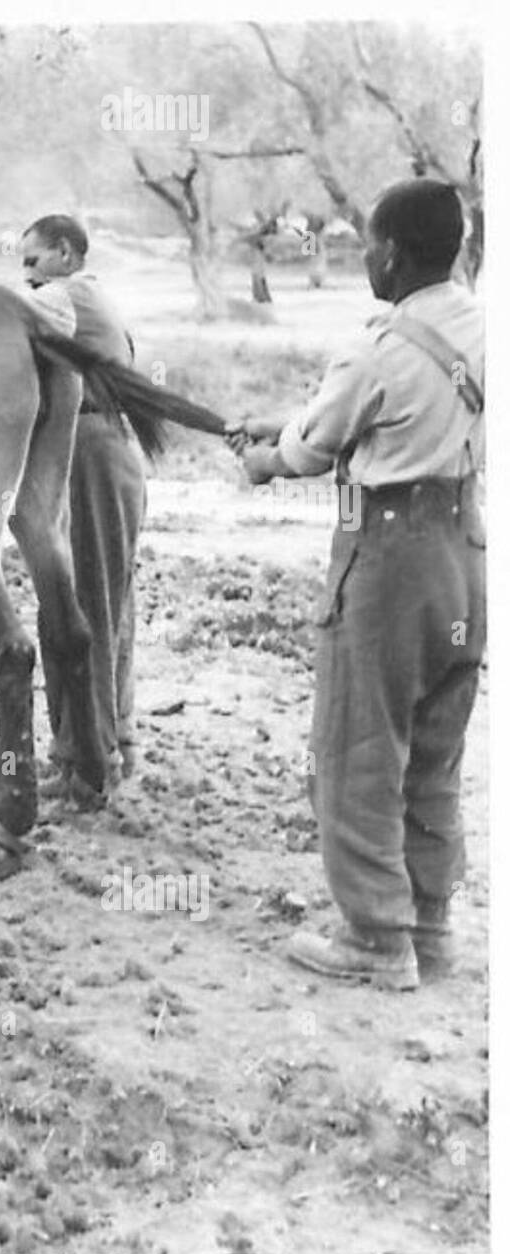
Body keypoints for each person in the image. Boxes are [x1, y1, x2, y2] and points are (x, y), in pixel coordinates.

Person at [227, 178, 484, 990]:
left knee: (359, 750)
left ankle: (376, 940)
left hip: (388, 562)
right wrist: (295, 426)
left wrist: (264, 458)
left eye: (370, 245)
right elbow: (351, 421)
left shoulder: (376, 347)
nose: (365, 258)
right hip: (467, 556)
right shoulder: (482, 328)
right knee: (434, 755)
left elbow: (309, 450)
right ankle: (431, 927)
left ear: (395, 253)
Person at [20, 213, 148, 803]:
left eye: (33, 260)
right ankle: (107, 743)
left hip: (90, 450)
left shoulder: (64, 296)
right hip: (105, 449)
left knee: (82, 606)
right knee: (106, 603)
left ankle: (88, 759)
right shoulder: (89, 297)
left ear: (66, 255)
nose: (27, 276)